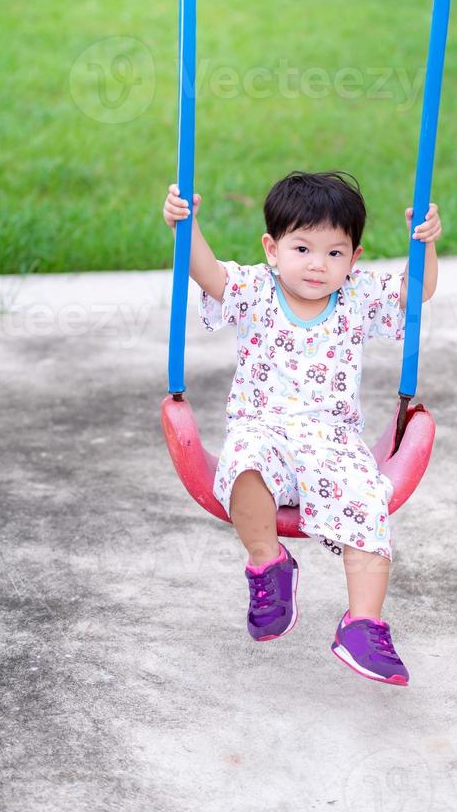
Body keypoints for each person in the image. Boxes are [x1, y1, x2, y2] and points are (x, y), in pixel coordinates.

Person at [163, 171, 441, 686]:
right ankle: (268, 564)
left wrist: (426, 245)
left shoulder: (356, 296)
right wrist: (187, 225)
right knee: (243, 466)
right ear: (272, 249)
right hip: (262, 429)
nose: (318, 264)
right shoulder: (255, 290)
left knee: (366, 502)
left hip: (330, 440)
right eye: (302, 248)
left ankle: (363, 624)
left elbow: (413, 294)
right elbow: (208, 277)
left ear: (354, 259)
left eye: (335, 253)